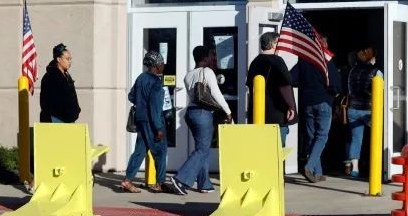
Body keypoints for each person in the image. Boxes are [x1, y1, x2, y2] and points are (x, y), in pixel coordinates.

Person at [169, 45, 232, 195]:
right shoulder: (207, 72)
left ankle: (204, 184)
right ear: (205, 58)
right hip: (203, 113)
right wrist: (228, 112)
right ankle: (180, 179)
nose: (212, 59)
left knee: (202, 149)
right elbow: (216, 94)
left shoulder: (188, 75)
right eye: (210, 56)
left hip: (190, 113)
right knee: (202, 150)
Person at [291, 35, 342, 183]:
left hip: (307, 102)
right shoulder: (326, 60)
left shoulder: (304, 60)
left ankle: (317, 172)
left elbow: (291, 78)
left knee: (312, 137)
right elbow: (337, 85)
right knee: (321, 137)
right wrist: (331, 93)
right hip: (324, 102)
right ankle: (309, 166)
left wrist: (305, 85)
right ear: (324, 44)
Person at [120, 51, 168, 193]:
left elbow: (131, 96)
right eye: (162, 63)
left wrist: (141, 103)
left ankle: (127, 180)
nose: (163, 66)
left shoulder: (141, 78)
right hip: (152, 122)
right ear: (156, 65)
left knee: (140, 151)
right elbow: (155, 108)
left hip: (140, 120)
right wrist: (158, 128)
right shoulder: (156, 82)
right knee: (160, 151)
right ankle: (159, 183)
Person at [246, 32, 297, 147]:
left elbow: (250, 86)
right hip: (277, 114)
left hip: (258, 116)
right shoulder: (277, 61)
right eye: (278, 43)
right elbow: (286, 84)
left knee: (263, 150)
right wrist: (291, 106)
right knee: (278, 151)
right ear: (273, 44)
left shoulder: (255, 62)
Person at [344, 44, 382, 178]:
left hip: (353, 109)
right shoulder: (376, 72)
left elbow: (349, 89)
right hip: (368, 110)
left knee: (356, 139)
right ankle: (377, 166)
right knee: (378, 137)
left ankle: (355, 169)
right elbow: (380, 91)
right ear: (371, 58)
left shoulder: (352, 71)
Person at [40, 43, 80, 123]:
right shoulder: (50, 77)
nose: (70, 61)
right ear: (58, 59)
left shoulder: (67, 77)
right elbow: (49, 103)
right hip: (55, 120)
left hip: (68, 121)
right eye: (67, 59)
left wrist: (76, 110)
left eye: (70, 59)